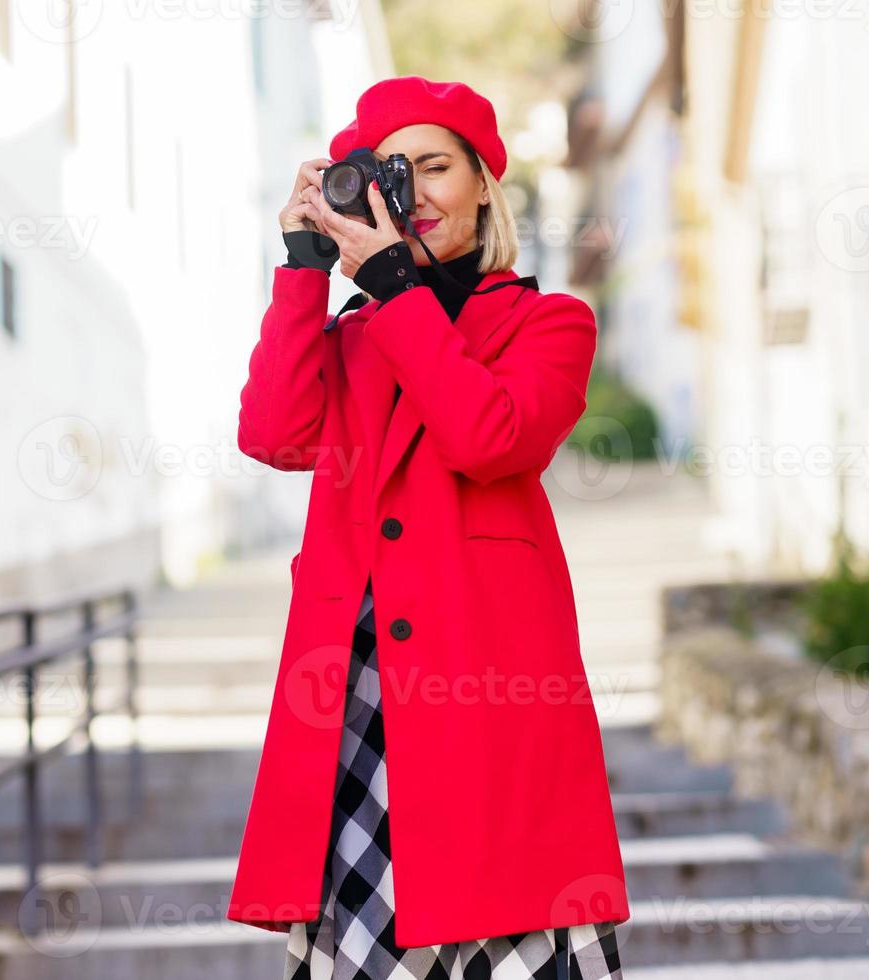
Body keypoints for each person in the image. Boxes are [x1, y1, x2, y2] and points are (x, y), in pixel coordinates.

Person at [229, 76, 628, 980]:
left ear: (486, 181)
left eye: (436, 166)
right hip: (361, 702)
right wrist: (302, 271)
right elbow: (273, 434)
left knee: (512, 922)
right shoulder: (354, 338)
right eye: (392, 172)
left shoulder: (549, 324)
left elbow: (490, 437)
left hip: (490, 705)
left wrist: (398, 290)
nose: (417, 192)